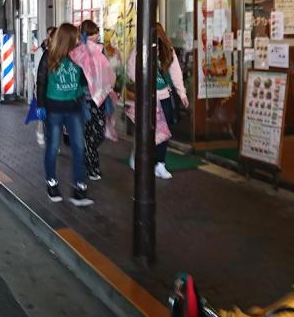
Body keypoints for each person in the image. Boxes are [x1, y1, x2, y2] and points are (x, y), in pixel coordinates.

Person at [36, 23, 92, 206]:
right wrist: (41, 105)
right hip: (54, 108)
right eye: (75, 36)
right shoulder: (49, 55)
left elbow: (84, 79)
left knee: (79, 147)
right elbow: (41, 81)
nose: (78, 39)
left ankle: (79, 185)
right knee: (52, 146)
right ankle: (51, 181)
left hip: (74, 107)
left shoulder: (79, 56)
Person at [126, 22, 189, 180]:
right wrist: (143, 83)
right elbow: (131, 68)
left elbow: (175, 73)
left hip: (164, 97)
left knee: (164, 133)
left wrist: (182, 94)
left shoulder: (168, 50)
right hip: (147, 98)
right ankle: (140, 157)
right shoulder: (140, 48)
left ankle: (159, 164)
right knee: (147, 131)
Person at [71, 20, 116, 181]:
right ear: (85, 35)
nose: (96, 36)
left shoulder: (100, 51)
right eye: (92, 33)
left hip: (100, 97)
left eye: (96, 32)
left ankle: (86, 158)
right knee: (91, 132)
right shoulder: (78, 52)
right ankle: (93, 167)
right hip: (85, 99)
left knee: (99, 132)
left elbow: (106, 71)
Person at [33, 26, 57, 146]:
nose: (50, 37)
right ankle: (41, 131)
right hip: (43, 86)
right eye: (49, 34)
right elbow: (38, 71)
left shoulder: (61, 51)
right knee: (44, 114)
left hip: (54, 92)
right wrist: (36, 86)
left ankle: (52, 140)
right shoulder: (42, 51)